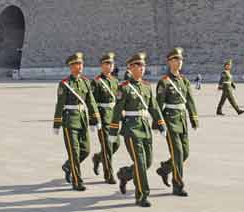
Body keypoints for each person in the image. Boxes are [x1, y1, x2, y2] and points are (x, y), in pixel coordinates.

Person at [109, 52, 166, 208]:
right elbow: (117, 110)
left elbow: (154, 107)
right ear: (131, 68)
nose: (142, 68)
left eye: (143, 66)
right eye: (138, 66)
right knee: (140, 163)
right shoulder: (124, 88)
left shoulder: (147, 86)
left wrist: (161, 123)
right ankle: (141, 195)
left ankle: (125, 174)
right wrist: (113, 131)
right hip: (131, 129)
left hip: (144, 126)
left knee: (147, 162)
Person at [53, 52, 101, 191]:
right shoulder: (65, 84)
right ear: (70, 67)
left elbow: (91, 102)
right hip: (69, 120)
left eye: (80, 64)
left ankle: (68, 166)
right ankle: (77, 181)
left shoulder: (86, 82)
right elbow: (59, 105)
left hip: (82, 119)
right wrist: (57, 123)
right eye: (76, 64)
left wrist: (95, 119)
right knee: (74, 152)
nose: (79, 67)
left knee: (85, 150)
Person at [155, 47, 199, 197]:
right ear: (169, 62)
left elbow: (190, 101)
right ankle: (178, 185)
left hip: (182, 120)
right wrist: (159, 123)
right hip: (170, 122)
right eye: (175, 60)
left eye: (180, 60)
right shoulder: (164, 82)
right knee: (178, 153)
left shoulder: (184, 81)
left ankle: (165, 168)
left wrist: (194, 118)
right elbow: (158, 104)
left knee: (185, 153)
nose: (178, 62)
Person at [91, 52, 120, 184]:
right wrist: (95, 119)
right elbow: (92, 102)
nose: (110, 66)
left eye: (111, 64)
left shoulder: (115, 81)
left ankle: (98, 157)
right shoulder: (96, 82)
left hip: (114, 118)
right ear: (102, 66)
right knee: (107, 146)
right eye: (107, 63)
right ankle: (108, 174)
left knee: (116, 144)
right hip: (103, 118)